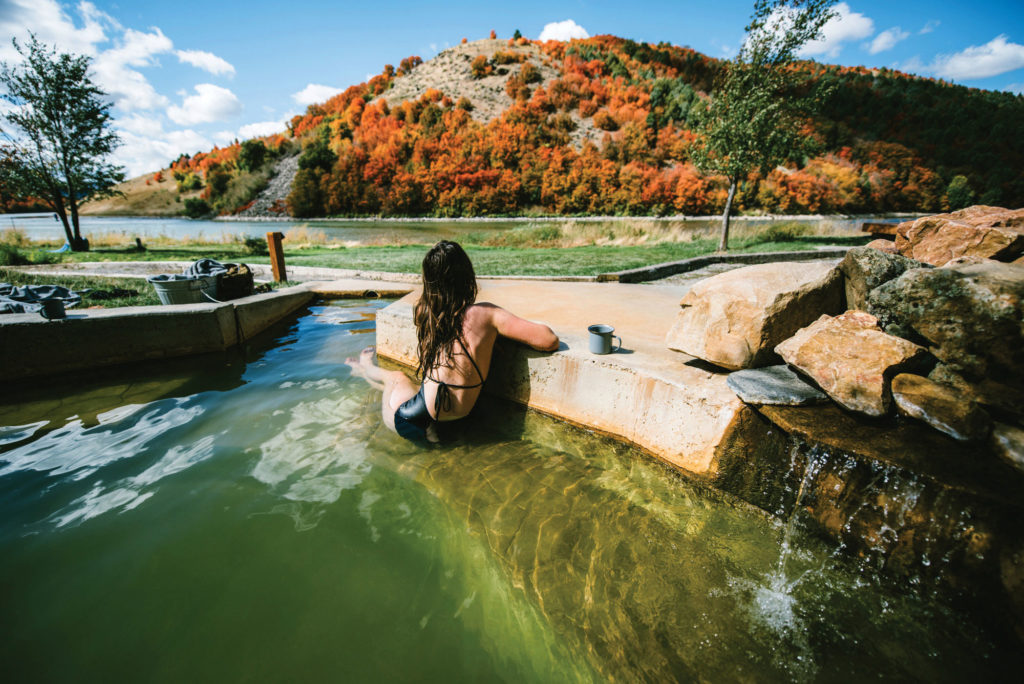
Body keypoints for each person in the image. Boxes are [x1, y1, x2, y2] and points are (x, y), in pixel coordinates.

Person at [347, 240, 558, 443]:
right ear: (467, 276)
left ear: (429, 281)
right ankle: (365, 368)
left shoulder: (426, 313)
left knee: (397, 378)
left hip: (412, 421)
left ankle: (364, 369)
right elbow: (549, 340)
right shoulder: (486, 315)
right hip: (445, 420)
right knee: (396, 377)